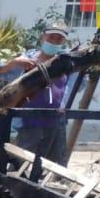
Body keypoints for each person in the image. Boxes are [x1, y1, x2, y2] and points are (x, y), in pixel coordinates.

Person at [7, 22, 71, 165]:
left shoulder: (66, 62)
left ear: (63, 42)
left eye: (59, 39)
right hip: (29, 123)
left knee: (54, 167)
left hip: (55, 124)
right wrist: (13, 63)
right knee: (22, 163)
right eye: (51, 37)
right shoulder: (27, 61)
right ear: (43, 38)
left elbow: (78, 85)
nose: (54, 41)